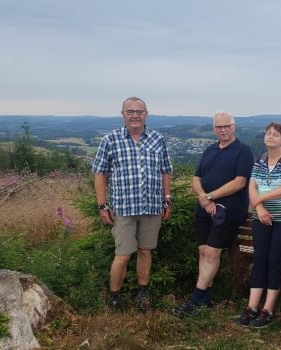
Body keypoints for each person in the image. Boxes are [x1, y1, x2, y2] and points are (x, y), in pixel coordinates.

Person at [92, 96, 173, 311]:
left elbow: (166, 171)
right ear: (123, 115)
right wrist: (102, 205)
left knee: (145, 251)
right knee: (123, 254)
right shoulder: (110, 140)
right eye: (130, 111)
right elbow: (100, 173)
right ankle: (114, 297)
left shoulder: (157, 139)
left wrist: (167, 199)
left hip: (152, 206)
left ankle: (142, 294)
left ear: (146, 114)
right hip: (124, 209)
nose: (135, 115)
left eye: (139, 111)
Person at [174, 112, 253, 316]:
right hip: (203, 209)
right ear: (214, 129)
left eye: (226, 126)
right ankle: (206, 299)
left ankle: (194, 298)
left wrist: (210, 197)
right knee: (202, 252)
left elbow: (240, 182)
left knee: (212, 252)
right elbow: (196, 178)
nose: (223, 130)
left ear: (234, 127)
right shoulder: (209, 150)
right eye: (219, 127)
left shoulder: (243, 151)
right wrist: (203, 197)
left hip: (228, 211)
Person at [238, 122, 281, 327]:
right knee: (260, 257)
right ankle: (251, 307)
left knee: (275, 258)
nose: (270, 136)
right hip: (264, 215)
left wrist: (259, 200)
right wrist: (259, 207)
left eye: (275, 134)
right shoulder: (260, 159)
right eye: (268, 133)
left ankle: (268, 309)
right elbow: (252, 185)